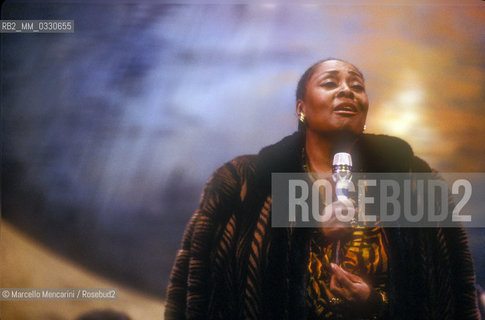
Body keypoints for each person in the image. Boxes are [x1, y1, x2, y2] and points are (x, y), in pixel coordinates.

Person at [165, 59, 480, 319]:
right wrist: (311, 228)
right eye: (331, 82)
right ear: (302, 108)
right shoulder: (243, 182)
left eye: (357, 86)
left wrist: (373, 303)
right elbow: (194, 289)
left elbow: (454, 293)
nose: (347, 90)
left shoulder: (414, 181)